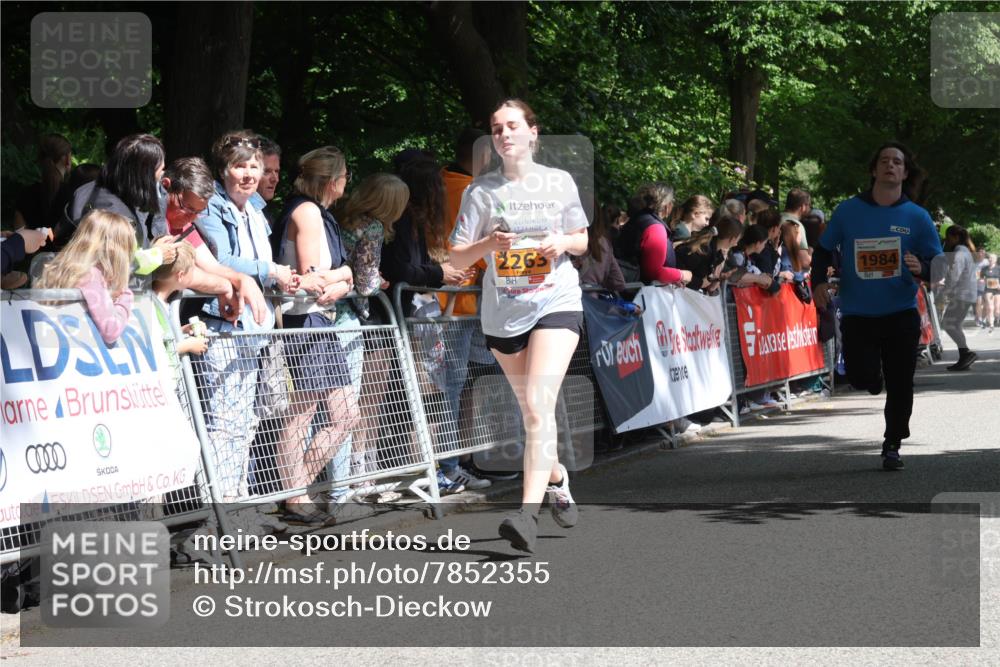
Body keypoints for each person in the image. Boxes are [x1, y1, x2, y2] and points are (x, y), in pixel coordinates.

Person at [449, 98, 588, 553]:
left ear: (533, 132)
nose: (504, 134)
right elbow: (457, 257)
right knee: (533, 413)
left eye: (512, 126)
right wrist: (490, 243)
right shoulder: (480, 192)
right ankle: (557, 477)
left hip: (555, 302)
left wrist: (560, 241)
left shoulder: (559, 181)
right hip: (505, 313)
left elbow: (582, 240)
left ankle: (526, 515)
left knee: (537, 404)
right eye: (496, 128)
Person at [812, 141, 942, 471]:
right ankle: (871, 379)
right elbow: (823, 250)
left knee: (901, 383)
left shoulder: (917, 216)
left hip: (901, 312)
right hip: (858, 313)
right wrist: (819, 283)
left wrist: (922, 268)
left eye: (897, 162)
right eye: (884, 160)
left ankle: (893, 443)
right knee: (859, 376)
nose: (890, 165)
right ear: (874, 169)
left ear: (905, 172)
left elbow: (938, 264)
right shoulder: (848, 211)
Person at [195, 130, 296, 501]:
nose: (250, 175)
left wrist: (281, 277)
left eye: (255, 167)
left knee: (245, 423)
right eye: (241, 167)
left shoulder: (255, 209)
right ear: (224, 170)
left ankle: (238, 501)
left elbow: (261, 266)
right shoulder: (211, 205)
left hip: (253, 328)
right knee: (222, 422)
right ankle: (218, 509)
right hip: (223, 325)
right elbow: (220, 259)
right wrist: (270, 270)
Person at [382, 156, 486, 493]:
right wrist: (441, 273)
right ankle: (434, 468)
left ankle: (439, 467)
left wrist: (441, 271)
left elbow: (417, 266)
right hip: (415, 316)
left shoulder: (413, 221)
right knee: (431, 392)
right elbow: (404, 270)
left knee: (433, 391)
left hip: (422, 314)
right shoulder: (405, 221)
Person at [273, 145, 362, 523]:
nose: (347, 183)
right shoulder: (307, 212)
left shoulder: (319, 213)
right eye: (345, 176)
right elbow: (314, 277)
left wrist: (343, 278)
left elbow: (340, 276)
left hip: (318, 321)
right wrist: (343, 276)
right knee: (304, 411)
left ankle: (296, 490)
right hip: (304, 320)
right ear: (331, 181)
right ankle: (295, 495)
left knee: (344, 414)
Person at [339, 173, 410, 498]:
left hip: (342, 314)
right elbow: (367, 282)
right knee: (371, 398)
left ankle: (356, 471)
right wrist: (378, 283)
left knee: (351, 400)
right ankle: (363, 472)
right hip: (366, 316)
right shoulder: (374, 227)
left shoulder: (343, 220)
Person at [35, 210, 136, 345]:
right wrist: (125, 296)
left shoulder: (70, 268)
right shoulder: (91, 277)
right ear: (116, 252)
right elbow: (111, 330)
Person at [69, 134, 170, 250]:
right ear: (144, 175)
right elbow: (117, 260)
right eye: (161, 169)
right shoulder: (116, 216)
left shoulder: (90, 189)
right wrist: (156, 253)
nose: (162, 174)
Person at [613, 182, 691, 286]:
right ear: (667, 206)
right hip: (635, 290)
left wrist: (671, 278)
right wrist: (681, 275)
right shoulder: (656, 229)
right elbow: (653, 272)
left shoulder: (638, 218)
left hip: (623, 282)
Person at [937, 224, 978, 370]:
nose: (947, 241)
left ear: (956, 237)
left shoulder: (960, 252)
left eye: (948, 238)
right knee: (955, 325)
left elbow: (954, 275)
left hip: (962, 294)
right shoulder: (965, 251)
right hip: (967, 294)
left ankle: (966, 353)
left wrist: (945, 292)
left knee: (948, 324)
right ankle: (964, 356)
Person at [14, 134, 72, 232]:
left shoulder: (25, 193)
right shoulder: (74, 194)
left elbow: (19, 233)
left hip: (29, 242)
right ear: (67, 159)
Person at [675, 217, 744, 294]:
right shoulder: (704, 250)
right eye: (737, 240)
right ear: (732, 239)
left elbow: (711, 286)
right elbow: (679, 271)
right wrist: (701, 283)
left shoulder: (717, 253)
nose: (736, 244)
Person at [572, 197, 626, 292]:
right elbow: (619, 282)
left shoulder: (562, 242)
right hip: (592, 299)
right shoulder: (605, 244)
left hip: (568, 298)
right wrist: (597, 284)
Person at [781, 188, 812, 253]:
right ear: (803, 207)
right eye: (809, 205)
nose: (810, 208)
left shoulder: (776, 218)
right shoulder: (797, 226)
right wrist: (810, 252)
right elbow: (802, 258)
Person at [981, 253, 1000, 332]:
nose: (990, 259)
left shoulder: (998, 268)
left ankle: (997, 318)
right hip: (988, 289)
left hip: (997, 290)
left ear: (995, 260)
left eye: (992, 258)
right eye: (989, 258)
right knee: (990, 307)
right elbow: (980, 277)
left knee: (997, 308)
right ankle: (991, 324)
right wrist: (982, 280)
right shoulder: (984, 269)